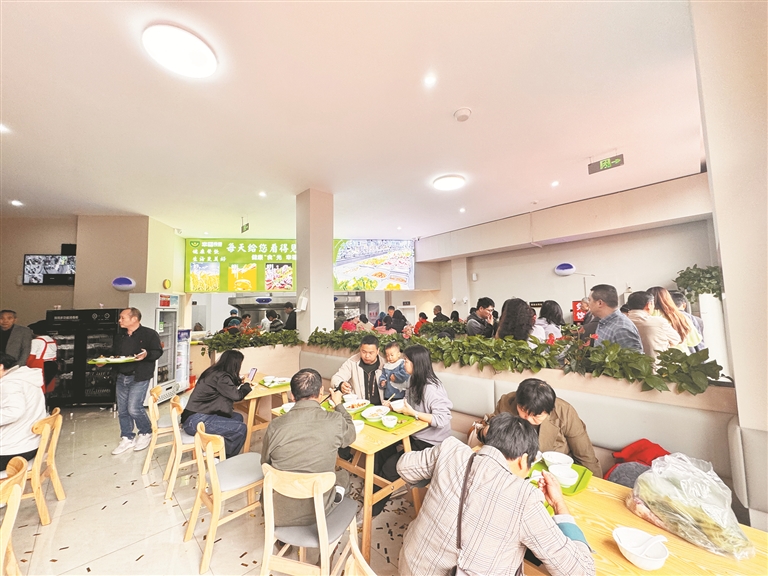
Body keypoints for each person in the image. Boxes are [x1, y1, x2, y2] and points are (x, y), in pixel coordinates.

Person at [398, 413, 595, 576]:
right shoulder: (524, 497)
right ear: (523, 460)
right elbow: (582, 572)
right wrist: (559, 504)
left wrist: (440, 473)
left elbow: (404, 467)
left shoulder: (450, 450)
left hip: (411, 567)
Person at [261, 369, 355, 526]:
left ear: (292, 396)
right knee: (343, 476)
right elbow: (351, 435)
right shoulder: (335, 421)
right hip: (318, 511)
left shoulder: (275, 426)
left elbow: (265, 462)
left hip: (276, 512)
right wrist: (338, 404)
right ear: (321, 392)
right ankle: (330, 525)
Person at [376, 345, 452, 515]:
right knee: (381, 448)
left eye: (406, 361)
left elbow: (442, 419)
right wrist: (393, 406)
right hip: (415, 435)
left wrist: (413, 413)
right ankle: (389, 488)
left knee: (390, 466)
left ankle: (372, 509)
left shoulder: (431, 388)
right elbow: (408, 403)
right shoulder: (413, 380)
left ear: (416, 364)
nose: (403, 363)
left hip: (432, 443)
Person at [478, 378, 602, 477]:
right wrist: (488, 431)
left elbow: (585, 456)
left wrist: (598, 487)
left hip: (553, 472)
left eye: (536, 416)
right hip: (513, 469)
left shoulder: (565, 412)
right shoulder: (507, 402)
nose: (528, 419)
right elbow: (488, 433)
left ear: (549, 411)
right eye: (523, 411)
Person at [107, 308, 164, 455]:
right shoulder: (120, 336)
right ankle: (127, 437)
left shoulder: (149, 334)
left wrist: (147, 354)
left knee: (134, 408)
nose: (119, 320)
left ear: (134, 319)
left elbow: (157, 352)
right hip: (121, 376)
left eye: (122, 318)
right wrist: (106, 360)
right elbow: (114, 354)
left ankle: (146, 431)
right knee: (123, 410)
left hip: (139, 375)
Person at [181, 349, 252, 457]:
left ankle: (219, 450)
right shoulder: (221, 377)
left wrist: (240, 381)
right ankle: (224, 457)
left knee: (238, 417)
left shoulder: (214, 372)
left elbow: (228, 387)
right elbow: (237, 396)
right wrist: (246, 386)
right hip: (196, 421)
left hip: (195, 416)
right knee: (241, 428)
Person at [0, 353, 48, 469]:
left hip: (13, 451)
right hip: (30, 444)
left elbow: (13, 412)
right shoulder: (25, 377)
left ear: (1, 366)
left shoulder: (9, 383)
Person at [625, 291, 681, 361]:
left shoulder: (623, 322)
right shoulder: (659, 322)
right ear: (649, 305)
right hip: (656, 364)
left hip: (630, 365)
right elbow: (676, 339)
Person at [331, 334, 385, 405]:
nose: (367, 356)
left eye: (371, 353)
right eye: (364, 352)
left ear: (378, 351)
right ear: (360, 349)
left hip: (381, 407)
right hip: (359, 406)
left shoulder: (384, 364)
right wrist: (341, 385)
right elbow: (336, 378)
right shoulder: (352, 362)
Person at [587, 284, 643, 352]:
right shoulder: (603, 322)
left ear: (600, 303)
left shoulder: (622, 329)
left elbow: (634, 357)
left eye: (589, 300)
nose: (588, 304)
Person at [647, 286, 702, 353]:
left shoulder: (646, 317)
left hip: (654, 355)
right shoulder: (680, 316)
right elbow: (694, 341)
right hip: (681, 356)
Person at [26, 320, 58, 395]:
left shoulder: (36, 341)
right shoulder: (51, 340)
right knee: (46, 387)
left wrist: (26, 367)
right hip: (52, 364)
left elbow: (31, 356)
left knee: (37, 389)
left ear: (33, 331)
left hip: (41, 365)